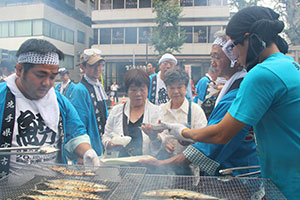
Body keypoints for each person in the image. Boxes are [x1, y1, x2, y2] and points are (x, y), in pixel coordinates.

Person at [160, 6, 300, 199]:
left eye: (234, 46)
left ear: (252, 40)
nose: (235, 56)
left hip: (288, 187)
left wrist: (184, 131)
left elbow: (222, 134)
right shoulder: (290, 64)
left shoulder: (261, 74)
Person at [141, 31, 258, 177]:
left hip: (236, 173)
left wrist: (163, 163)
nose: (213, 62)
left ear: (234, 56)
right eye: (211, 57)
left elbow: (211, 143)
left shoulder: (235, 96)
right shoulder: (232, 88)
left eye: (218, 57)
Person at [0, 39, 99, 178]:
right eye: (40, 75)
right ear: (19, 69)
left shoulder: (59, 101)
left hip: (53, 187)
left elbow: (76, 133)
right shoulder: (2, 97)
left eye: (52, 77)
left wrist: (88, 152)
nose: (47, 83)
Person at [102, 69, 164, 158]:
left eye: (142, 90)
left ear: (148, 90)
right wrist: (109, 144)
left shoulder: (156, 112)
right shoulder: (116, 111)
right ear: (127, 91)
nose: (138, 94)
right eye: (134, 90)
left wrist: (154, 136)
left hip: (147, 165)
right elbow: (106, 136)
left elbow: (162, 142)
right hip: (119, 165)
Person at [157, 68, 207, 174]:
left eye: (179, 87)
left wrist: (190, 140)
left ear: (186, 88)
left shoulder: (195, 111)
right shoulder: (160, 110)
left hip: (189, 170)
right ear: (166, 88)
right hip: (164, 169)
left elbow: (204, 142)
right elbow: (155, 136)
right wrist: (163, 143)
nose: (176, 92)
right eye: (171, 88)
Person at [70, 48, 108, 157]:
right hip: (89, 149)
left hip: (101, 145)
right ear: (83, 67)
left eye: (100, 65)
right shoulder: (80, 90)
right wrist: (83, 151)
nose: (98, 69)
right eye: (92, 66)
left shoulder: (98, 86)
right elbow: (78, 124)